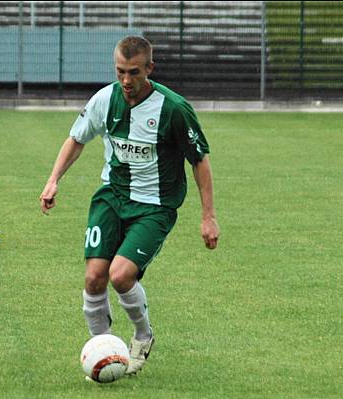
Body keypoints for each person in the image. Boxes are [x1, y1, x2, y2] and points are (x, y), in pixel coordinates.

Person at [39, 36, 220, 375]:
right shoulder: (105, 99)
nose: (125, 80)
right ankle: (104, 352)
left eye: (133, 72)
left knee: (120, 276)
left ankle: (142, 335)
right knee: (94, 278)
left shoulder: (174, 109)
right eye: (119, 71)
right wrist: (53, 180)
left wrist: (208, 217)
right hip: (112, 197)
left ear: (149, 69)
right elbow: (77, 138)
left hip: (154, 206)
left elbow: (200, 161)